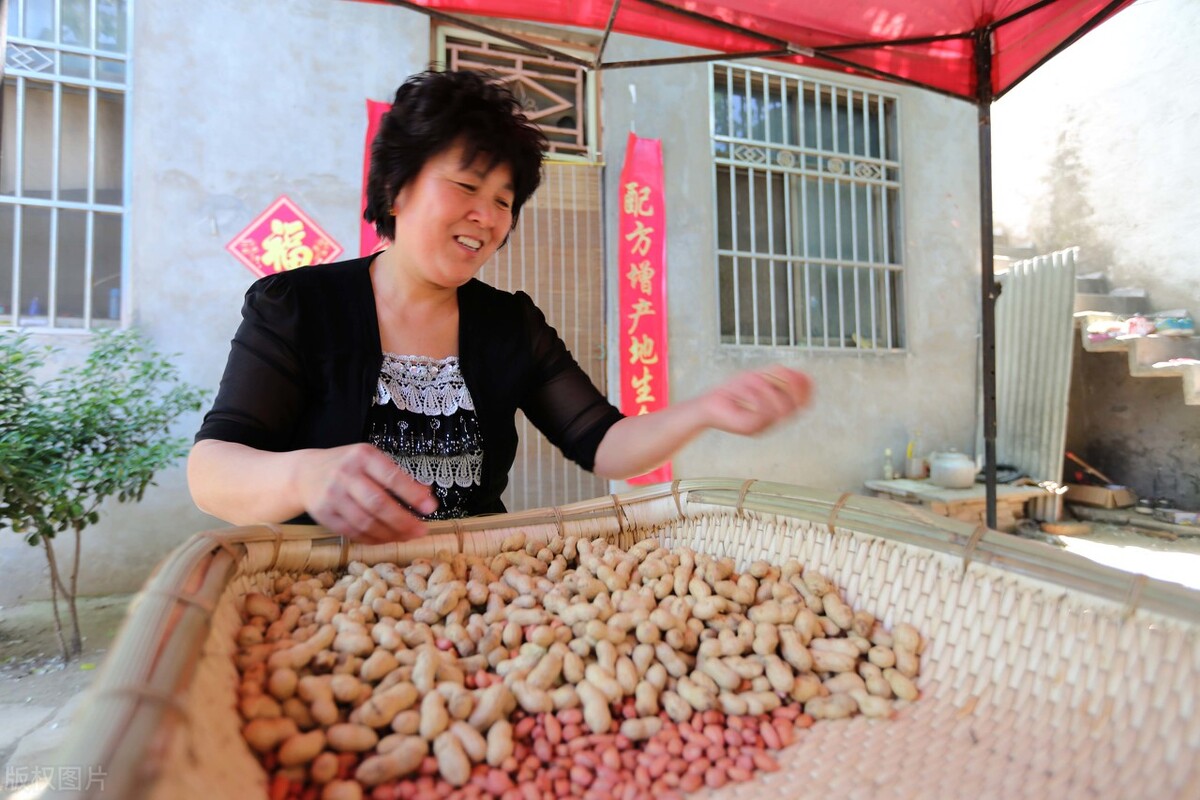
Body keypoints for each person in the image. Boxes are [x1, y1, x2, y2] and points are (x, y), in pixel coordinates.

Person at [188, 68, 812, 543]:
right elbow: (211, 470)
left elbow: (603, 442)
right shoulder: (297, 306)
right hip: (328, 602)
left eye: (503, 201)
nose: (486, 217)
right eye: (465, 186)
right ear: (396, 190)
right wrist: (304, 476)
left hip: (480, 592)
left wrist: (705, 410)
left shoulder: (510, 324)